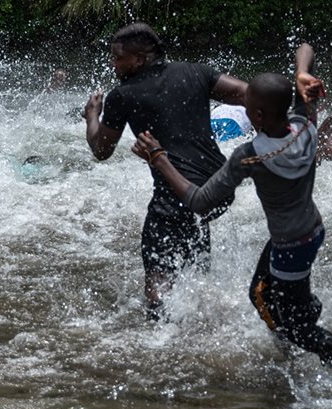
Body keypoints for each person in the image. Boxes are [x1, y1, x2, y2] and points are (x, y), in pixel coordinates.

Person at [131, 66, 332, 377]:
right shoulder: (305, 126)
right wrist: (303, 68)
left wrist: (160, 159)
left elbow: (199, 201)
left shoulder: (249, 155)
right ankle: (298, 323)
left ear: (256, 115)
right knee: (259, 295)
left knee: (302, 331)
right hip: (310, 231)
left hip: (290, 246)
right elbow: (309, 72)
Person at [85, 23, 249, 313]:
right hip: (218, 189)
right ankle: (201, 317)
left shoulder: (123, 95)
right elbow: (249, 94)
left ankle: (159, 333)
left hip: (176, 196)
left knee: (157, 289)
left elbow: (101, 151)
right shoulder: (197, 72)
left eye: (117, 57)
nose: (112, 63)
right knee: (194, 254)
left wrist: (92, 117)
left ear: (138, 60)